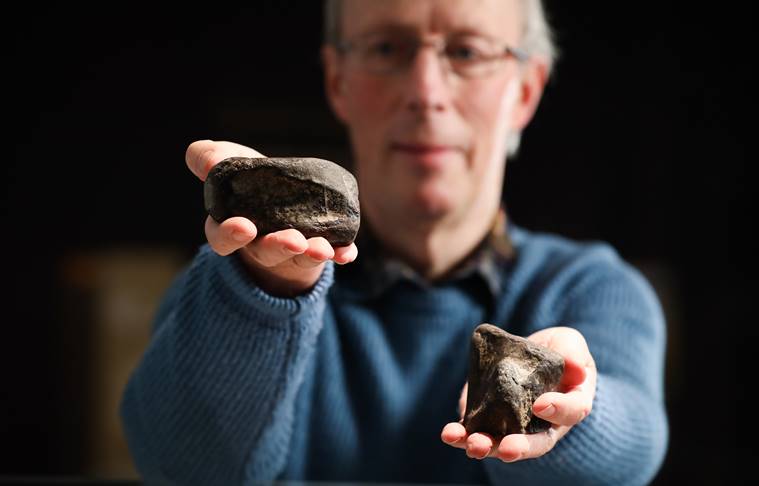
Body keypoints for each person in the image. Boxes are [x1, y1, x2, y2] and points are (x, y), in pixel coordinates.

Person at [120, 0, 669, 484]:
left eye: (468, 51)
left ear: (525, 90)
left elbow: (629, 456)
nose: (424, 92)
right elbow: (179, 465)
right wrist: (267, 285)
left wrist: (569, 400)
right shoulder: (230, 277)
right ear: (338, 80)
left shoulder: (593, 288)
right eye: (387, 47)